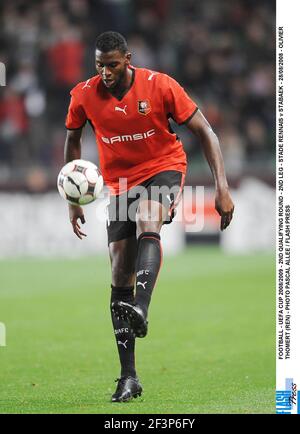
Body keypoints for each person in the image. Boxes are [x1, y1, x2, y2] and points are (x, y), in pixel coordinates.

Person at [64, 31, 234, 403]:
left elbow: (205, 131)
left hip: (163, 167)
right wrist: (72, 197)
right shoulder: (83, 94)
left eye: (112, 65)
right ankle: (128, 377)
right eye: (99, 65)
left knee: (147, 215)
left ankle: (141, 305)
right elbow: (72, 140)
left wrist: (221, 187)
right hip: (120, 182)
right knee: (117, 268)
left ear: (128, 59)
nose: (105, 73)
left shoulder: (160, 86)